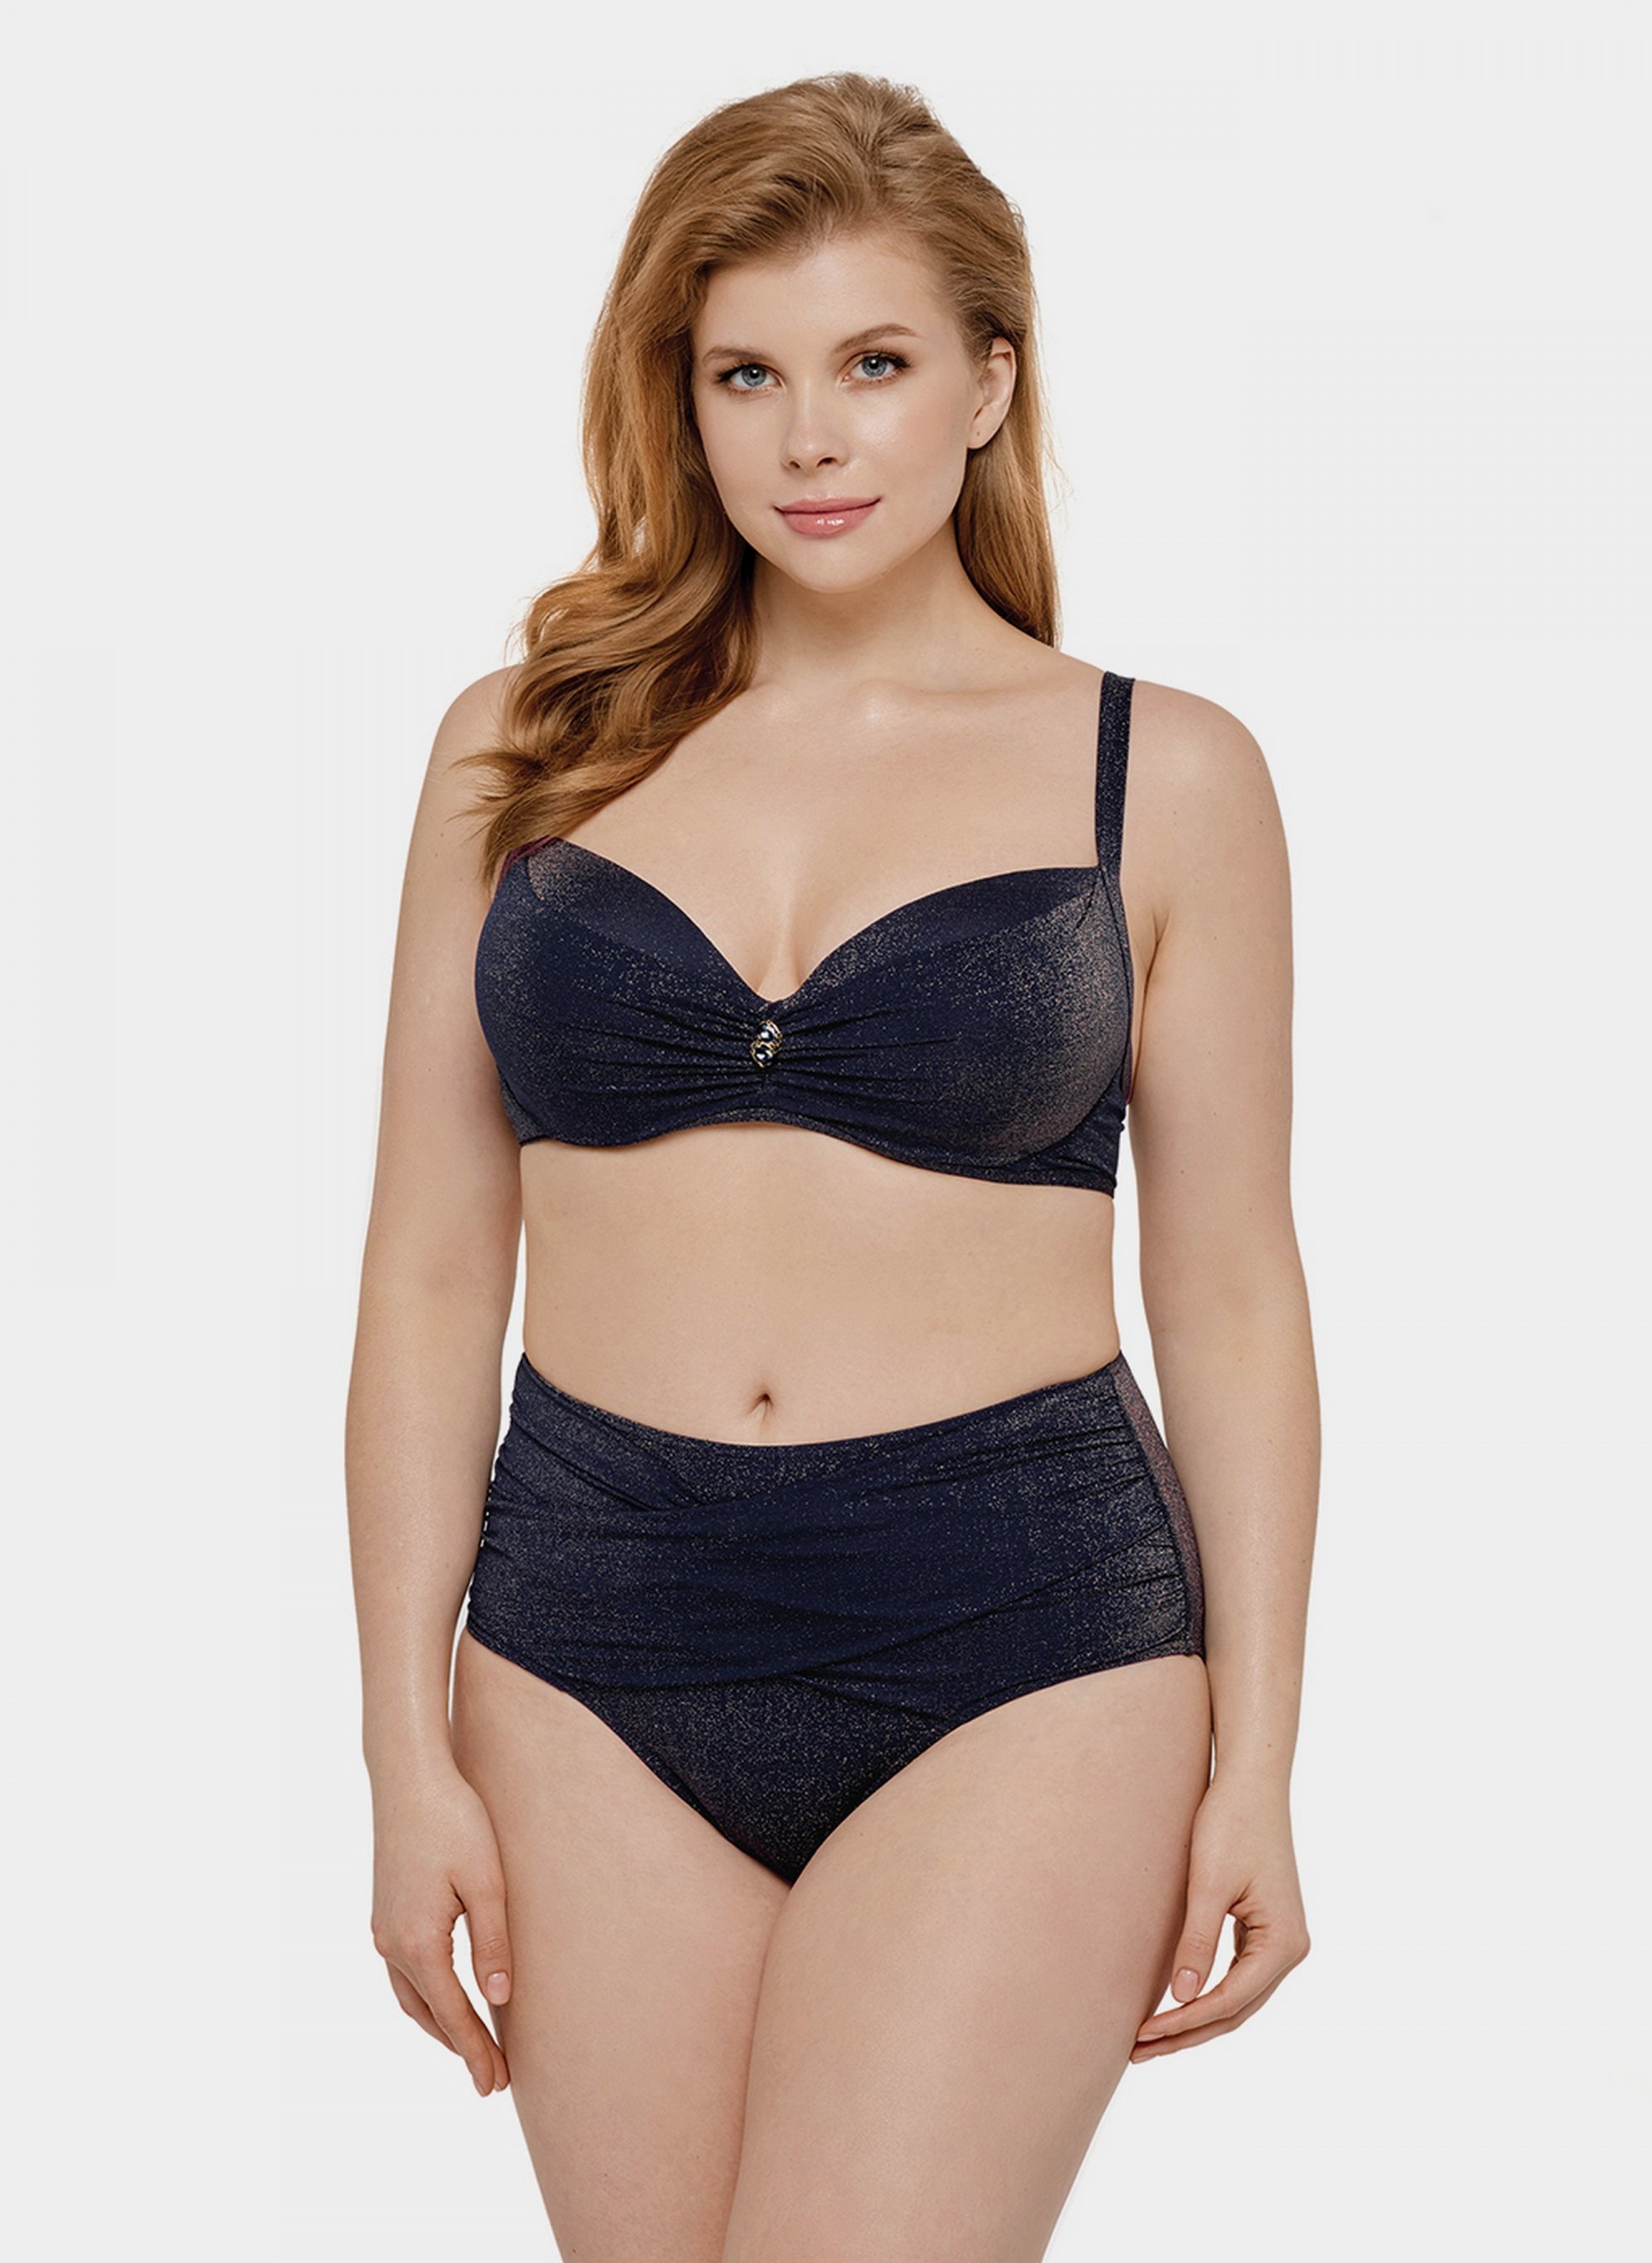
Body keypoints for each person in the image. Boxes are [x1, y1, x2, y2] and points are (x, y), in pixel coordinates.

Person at [345, 69, 1318, 2263]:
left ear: (989, 384)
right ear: (676, 400)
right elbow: (424, 1274)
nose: (809, 438)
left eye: (873, 364)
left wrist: (1257, 1755)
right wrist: (401, 1747)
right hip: (586, 1642)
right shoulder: (523, 749)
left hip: (1023, 1640)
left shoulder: (1161, 774)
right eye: (746, 374)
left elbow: (1234, 1295)